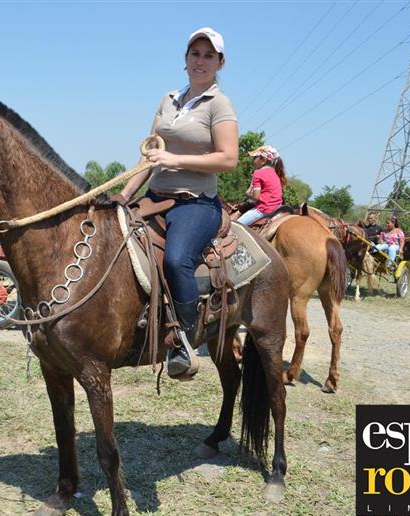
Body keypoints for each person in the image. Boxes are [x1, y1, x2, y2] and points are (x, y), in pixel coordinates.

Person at [115, 27, 238, 378]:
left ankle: (184, 340)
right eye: (195, 54)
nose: (200, 61)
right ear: (185, 58)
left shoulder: (219, 104)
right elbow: (150, 154)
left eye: (209, 56)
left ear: (220, 63)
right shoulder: (168, 99)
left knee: (176, 258)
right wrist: (124, 196)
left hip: (196, 203)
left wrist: (176, 160)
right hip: (155, 197)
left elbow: (228, 158)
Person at [237, 145, 287, 225]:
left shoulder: (258, 173)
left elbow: (256, 197)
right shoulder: (275, 172)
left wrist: (246, 193)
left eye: (255, 157)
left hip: (264, 209)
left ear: (263, 160)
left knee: (235, 226)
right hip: (277, 208)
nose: (253, 160)